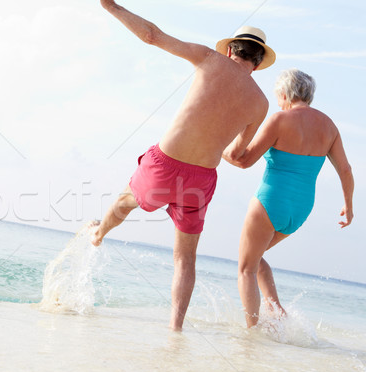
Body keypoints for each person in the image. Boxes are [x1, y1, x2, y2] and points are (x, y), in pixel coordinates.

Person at [91, 0, 276, 331]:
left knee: (124, 202)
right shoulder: (261, 104)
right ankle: (175, 329)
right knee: (185, 259)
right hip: (201, 178)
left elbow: (151, 35)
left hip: (165, 163)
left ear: (232, 49)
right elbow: (236, 154)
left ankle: (98, 234)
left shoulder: (209, 59)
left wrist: (112, 6)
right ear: (258, 61)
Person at [222, 68, 354, 328]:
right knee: (255, 259)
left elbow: (244, 160)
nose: (278, 102)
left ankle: (253, 332)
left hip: (270, 201)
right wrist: (349, 207)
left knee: (245, 269)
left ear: (285, 93)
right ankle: (277, 313)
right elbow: (346, 170)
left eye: (278, 96)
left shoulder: (279, 120)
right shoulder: (329, 126)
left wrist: (222, 148)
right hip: (301, 208)